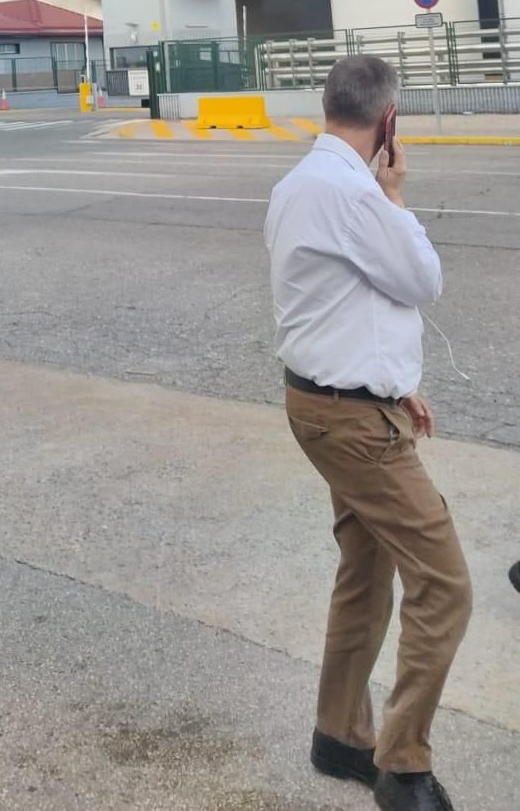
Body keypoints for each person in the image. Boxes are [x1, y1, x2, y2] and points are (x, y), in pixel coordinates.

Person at [264, 56, 471, 811]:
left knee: (365, 568)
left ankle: (338, 733)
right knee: (443, 582)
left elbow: (336, 301)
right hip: (353, 426)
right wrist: (395, 194)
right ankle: (402, 763)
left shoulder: (296, 185)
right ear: (388, 122)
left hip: (333, 405)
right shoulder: (354, 193)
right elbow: (420, 280)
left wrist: (395, 385)